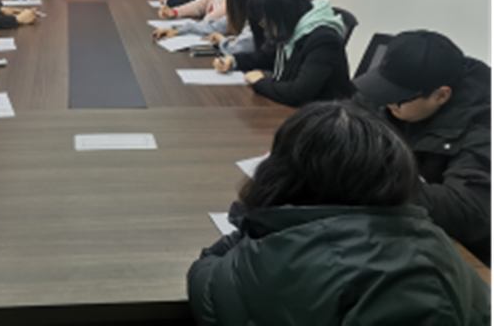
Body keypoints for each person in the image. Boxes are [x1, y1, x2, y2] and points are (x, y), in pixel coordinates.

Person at [187, 101, 493, 326]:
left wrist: (255, 218)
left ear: (280, 176)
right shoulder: (440, 246)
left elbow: (206, 274)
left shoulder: (256, 263)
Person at [355, 31, 492, 267]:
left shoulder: (484, 125)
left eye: (397, 98)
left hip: (461, 256)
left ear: (441, 95)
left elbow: (468, 210)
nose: (388, 103)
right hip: (404, 225)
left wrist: (372, 180)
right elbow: (355, 113)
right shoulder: (405, 98)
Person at [215, 0, 353, 106]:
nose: (265, 29)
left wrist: (260, 82)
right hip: (299, 110)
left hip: (326, 116)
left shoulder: (324, 40)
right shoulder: (292, 30)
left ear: (280, 14)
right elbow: (268, 57)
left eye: (265, 22)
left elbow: (298, 93)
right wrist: (235, 61)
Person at [153, 0, 259, 59]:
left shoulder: (256, 16)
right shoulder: (240, 10)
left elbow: (238, 48)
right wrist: (178, 31)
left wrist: (222, 40)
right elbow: (212, 26)